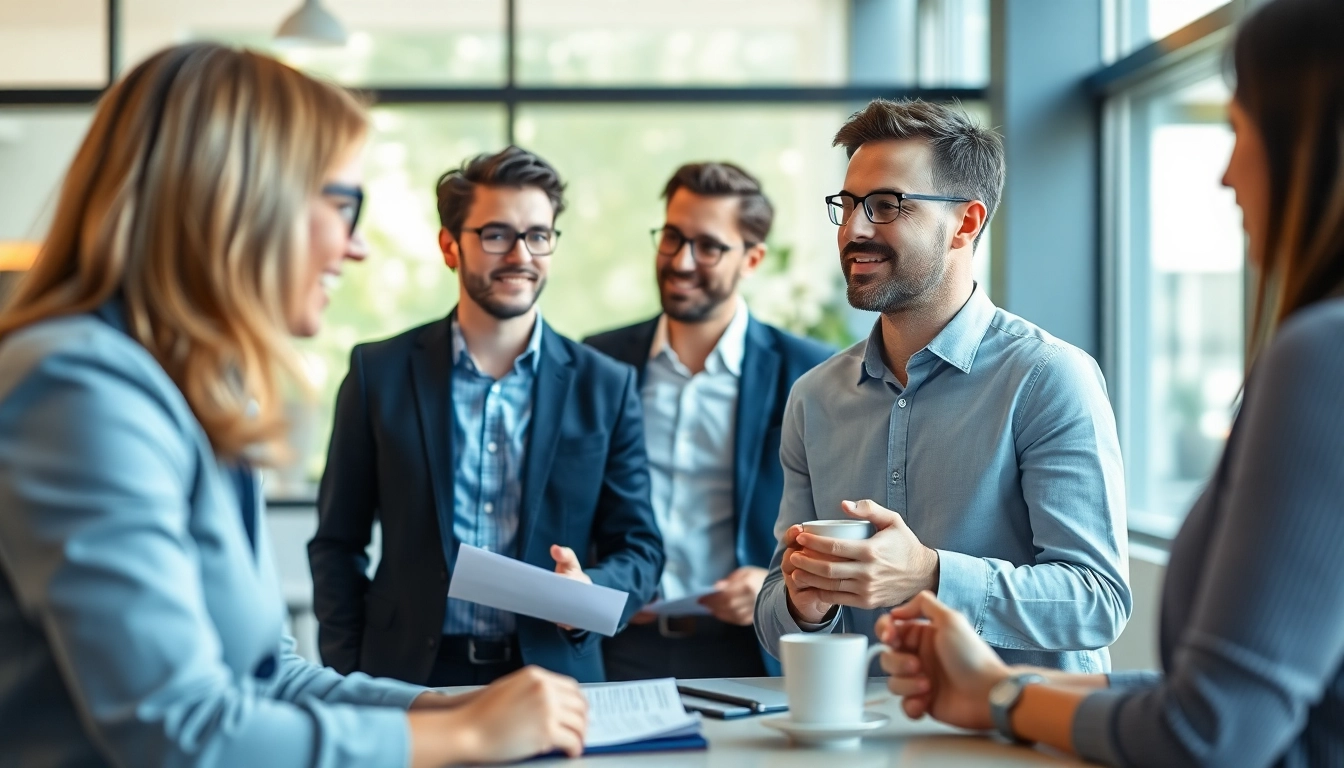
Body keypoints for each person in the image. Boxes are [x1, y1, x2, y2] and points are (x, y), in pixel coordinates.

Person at [0, 44, 588, 767]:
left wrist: (454, 707)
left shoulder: (202, 394)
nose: (356, 247)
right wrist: (465, 735)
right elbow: (180, 733)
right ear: (238, 199)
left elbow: (268, 676)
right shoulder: (79, 386)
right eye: (344, 207)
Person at [878, 1, 1344, 765]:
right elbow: (1224, 698)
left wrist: (999, 693)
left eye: (1238, 130)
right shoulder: (816, 394)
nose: (1227, 174)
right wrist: (997, 687)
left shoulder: (1322, 355)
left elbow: (1210, 729)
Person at [755, 99, 1132, 673]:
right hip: (869, 723)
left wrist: (930, 574)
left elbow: (1097, 602)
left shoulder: (1049, 378)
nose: (854, 230)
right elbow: (774, 617)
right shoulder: (814, 398)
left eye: (885, 206)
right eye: (848, 205)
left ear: (966, 223)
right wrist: (803, 605)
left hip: (1014, 724)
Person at [310, 146, 664, 688]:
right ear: (449, 246)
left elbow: (641, 549)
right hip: (407, 678)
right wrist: (347, 670)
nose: (520, 254)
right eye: (496, 234)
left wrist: (589, 592)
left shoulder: (605, 385)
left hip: (552, 677)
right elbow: (337, 544)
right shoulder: (376, 374)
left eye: (538, 235)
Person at [585, 162, 833, 680]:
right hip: (616, 644)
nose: (681, 260)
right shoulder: (600, 363)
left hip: (750, 648)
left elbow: (839, 507)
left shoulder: (810, 373)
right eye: (672, 238)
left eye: (708, 247)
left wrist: (775, 584)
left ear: (752, 259)